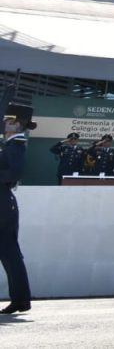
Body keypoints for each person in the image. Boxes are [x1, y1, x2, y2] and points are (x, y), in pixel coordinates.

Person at [1, 103, 36, 314]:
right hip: (3, 202)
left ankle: (21, 298)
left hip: (2, 203)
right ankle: (21, 299)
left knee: (10, 253)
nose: (5, 123)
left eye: (8, 120)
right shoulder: (8, 144)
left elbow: (15, 173)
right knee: (9, 253)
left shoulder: (16, 145)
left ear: (17, 123)